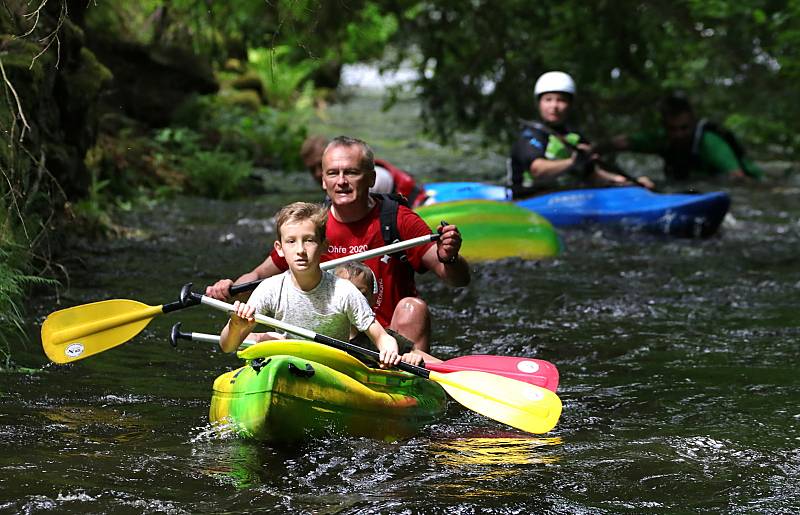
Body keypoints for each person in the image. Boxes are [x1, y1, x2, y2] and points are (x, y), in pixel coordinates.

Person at [208, 136, 469, 364]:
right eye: (333, 173)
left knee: (414, 308)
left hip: (387, 343)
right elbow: (257, 278)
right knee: (255, 337)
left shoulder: (398, 219)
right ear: (323, 180)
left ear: (371, 178)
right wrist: (230, 289)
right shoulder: (310, 229)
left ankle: (411, 379)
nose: (341, 181)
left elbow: (457, 278)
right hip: (332, 337)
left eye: (351, 172)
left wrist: (451, 257)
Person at [219, 201, 401, 368]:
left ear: (324, 246)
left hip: (331, 370)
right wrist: (236, 325)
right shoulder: (270, 288)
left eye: (309, 240)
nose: (300, 250)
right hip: (287, 365)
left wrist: (388, 350)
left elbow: (382, 338)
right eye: (291, 241)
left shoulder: (344, 292)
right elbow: (227, 346)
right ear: (279, 249)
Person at [508, 71, 646, 197]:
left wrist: (630, 183)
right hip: (528, 200)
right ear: (539, 103)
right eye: (548, 100)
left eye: (561, 100)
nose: (554, 106)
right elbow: (537, 170)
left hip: (565, 199)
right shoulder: (530, 135)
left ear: (570, 104)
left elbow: (593, 175)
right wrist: (572, 162)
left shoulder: (575, 138)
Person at [597, 94, 764, 183]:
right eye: (672, 129)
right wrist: (593, 150)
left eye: (684, 128)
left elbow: (738, 177)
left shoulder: (710, 143)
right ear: (664, 126)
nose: (678, 135)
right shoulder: (661, 139)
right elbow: (624, 142)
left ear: (693, 122)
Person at [334, 262, 442, 365]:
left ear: (373, 300)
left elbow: (440, 364)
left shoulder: (386, 337)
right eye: (346, 294)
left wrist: (416, 358)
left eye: (361, 295)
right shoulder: (323, 331)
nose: (354, 301)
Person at [300, 135, 428, 207]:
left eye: (319, 165)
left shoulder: (369, 181)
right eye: (312, 169)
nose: (317, 173)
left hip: (417, 203)